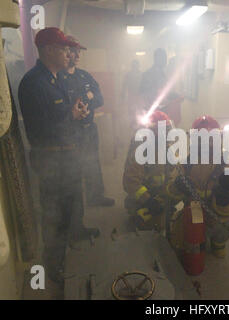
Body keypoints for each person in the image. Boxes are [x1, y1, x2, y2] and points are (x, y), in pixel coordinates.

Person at [18, 27, 99, 287]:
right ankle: (54, 265)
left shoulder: (58, 79)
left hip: (69, 156)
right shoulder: (33, 84)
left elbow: (67, 110)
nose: (69, 53)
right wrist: (70, 116)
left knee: (73, 204)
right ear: (49, 50)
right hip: (52, 161)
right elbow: (39, 131)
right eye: (64, 49)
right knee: (54, 216)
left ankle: (75, 235)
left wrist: (79, 111)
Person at [167, 116, 229, 258]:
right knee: (181, 237)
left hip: (215, 214)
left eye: (211, 138)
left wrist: (224, 199)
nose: (206, 143)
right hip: (192, 213)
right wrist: (178, 186)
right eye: (201, 138)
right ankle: (196, 241)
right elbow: (170, 191)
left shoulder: (225, 164)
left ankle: (218, 243)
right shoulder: (186, 162)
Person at [60, 35, 115, 207]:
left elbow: (99, 98)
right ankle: (76, 206)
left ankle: (95, 196)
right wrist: (86, 97)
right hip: (72, 131)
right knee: (74, 167)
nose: (77, 56)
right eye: (73, 52)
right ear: (66, 52)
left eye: (79, 52)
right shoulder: (58, 78)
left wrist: (87, 98)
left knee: (93, 162)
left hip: (89, 128)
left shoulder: (84, 76)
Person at [123, 110, 175, 231]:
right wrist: (148, 201)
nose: (167, 134)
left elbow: (173, 172)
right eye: (164, 131)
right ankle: (135, 210)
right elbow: (130, 182)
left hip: (159, 193)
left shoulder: (166, 148)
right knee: (146, 223)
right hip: (145, 197)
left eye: (167, 129)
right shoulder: (141, 151)